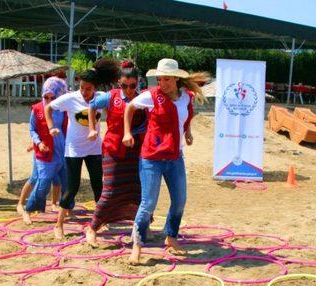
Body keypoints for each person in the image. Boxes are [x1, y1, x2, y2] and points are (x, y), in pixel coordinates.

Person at [123, 58, 208, 264]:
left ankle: (171, 236)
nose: (162, 83)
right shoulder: (151, 96)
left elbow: (186, 117)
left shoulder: (186, 98)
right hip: (152, 157)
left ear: (177, 79)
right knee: (148, 203)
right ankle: (137, 245)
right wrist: (127, 132)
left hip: (175, 157)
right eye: (160, 79)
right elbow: (130, 108)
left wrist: (187, 132)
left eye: (167, 79)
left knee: (179, 200)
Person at [45, 58, 120, 239]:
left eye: (88, 89)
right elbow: (48, 108)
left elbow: (114, 110)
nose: (85, 92)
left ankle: (99, 221)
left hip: (94, 148)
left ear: (95, 87)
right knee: (72, 187)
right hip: (74, 149)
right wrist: (51, 127)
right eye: (82, 88)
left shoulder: (102, 97)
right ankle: (59, 225)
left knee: (98, 186)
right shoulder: (71, 98)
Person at [85, 64, 148, 244]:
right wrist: (92, 128)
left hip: (135, 150)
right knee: (110, 189)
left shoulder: (142, 99)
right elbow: (91, 105)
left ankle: (143, 226)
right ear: (119, 84)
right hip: (113, 147)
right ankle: (93, 226)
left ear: (138, 84)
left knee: (138, 189)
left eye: (132, 86)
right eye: (124, 86)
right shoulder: (111, 97)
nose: (128, 90)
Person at [20, 77, 68, 224]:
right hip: (45, 150)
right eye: (45, 96)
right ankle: (28, 209)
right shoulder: (37, 109)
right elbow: (32, 129)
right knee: (42, 182)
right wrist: (38, 143)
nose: (48, 99)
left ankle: (65, 209)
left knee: (66, 182)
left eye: (52, 97)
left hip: (63, 149)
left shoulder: (63, 109)